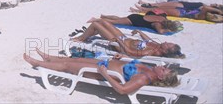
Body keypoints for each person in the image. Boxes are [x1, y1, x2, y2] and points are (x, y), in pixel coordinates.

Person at [23, 49, 179, 95]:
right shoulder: (148, 69)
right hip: (104, 63)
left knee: (67, 66)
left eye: (164, 69)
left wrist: (104, 74)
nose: (162, 66)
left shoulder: (143, 78)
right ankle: (48, 57)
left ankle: (37, 63)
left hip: (100, 70)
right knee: (75, 61)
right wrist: (124, 57)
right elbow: (130, 64)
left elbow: (123, 90)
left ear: (160, 76)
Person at [71, 19, 184, 58]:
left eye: (168, 44)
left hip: (119, 44)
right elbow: (148, 40)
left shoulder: (150, 51)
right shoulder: (156, 46)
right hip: (124, 38)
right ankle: (89, 34)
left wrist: (119, 40)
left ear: (165, 51)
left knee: (96, 24)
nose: (166, 41)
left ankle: (81, 38)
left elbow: (130, 52)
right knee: (103, 22)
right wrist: (140, 32)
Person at [131, 0, 223, 22]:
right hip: (183, 10)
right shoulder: (205, 13)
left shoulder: (203, 16)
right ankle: (141, 9)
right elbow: (205, 8)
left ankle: (140, 10)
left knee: (160, 10)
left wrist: (219, 12)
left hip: (182, 13)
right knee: (160, 8)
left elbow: (205, 8)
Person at [94, 14, 182, 35]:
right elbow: (160, 31)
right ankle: (96, 20)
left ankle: (104, 16)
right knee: (116, 22)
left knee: (119, 19)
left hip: (137, 16)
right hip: (134, 21)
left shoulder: (163, 18)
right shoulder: (157, 24)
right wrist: (169, 30)